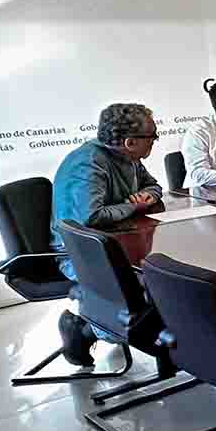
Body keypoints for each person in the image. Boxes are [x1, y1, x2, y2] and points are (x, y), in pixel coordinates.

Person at [49, 103, 163, 366]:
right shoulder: (88, 163)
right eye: (153, 136)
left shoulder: (129, 158)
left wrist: (148, 196)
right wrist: (133, 206)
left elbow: (153, 185)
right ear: (130, 142)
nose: (155, 141)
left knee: (159, 279)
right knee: (150, 288)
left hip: (116, 242)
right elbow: (90, 217)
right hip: (80, 255)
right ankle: (82, 331)